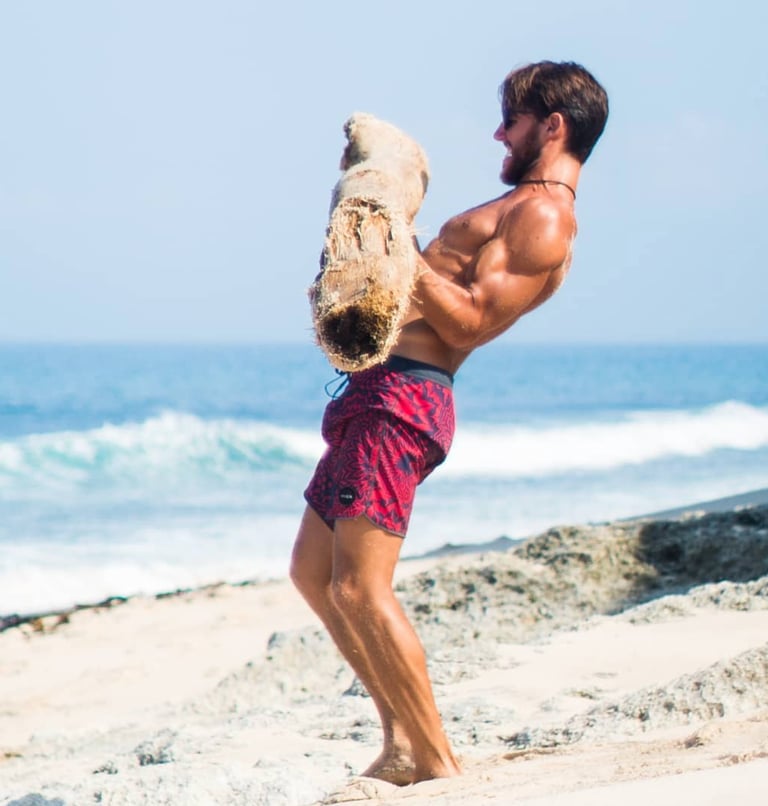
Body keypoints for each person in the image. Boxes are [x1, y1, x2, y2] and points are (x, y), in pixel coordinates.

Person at [290, 60, 609, 785]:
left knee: (359, 588)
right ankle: (402, 741)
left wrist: (399, 243)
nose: (500, 131)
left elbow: (468, 323)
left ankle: (433, 759)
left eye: (514, 118)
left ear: (553, 127)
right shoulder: (512, 206)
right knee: (314, 573)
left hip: (406, 400)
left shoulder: (544, 217)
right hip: (373, 394)